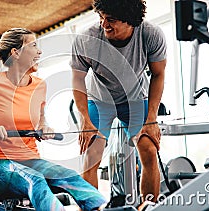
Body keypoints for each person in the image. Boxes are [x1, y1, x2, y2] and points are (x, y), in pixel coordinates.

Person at [0, 28, 108, 211]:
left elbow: (40, 121)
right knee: (34, 178)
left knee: (69, 175)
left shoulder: (39, 85)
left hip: (31, 160)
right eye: (33, 46)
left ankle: (102, 207)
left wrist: (45, 128)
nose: (39, 51)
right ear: (15, 53)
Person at [70, 0, 167, 206]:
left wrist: (152, 118)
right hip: (99, 100)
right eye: (101, 18)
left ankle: (148, 207)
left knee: (149, 150)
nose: (104, 24)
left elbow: (158, 75)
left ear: (130, 21)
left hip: (135, 99)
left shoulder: (150, 35)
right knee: (91, 154)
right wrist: (85, 120)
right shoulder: (87, 38)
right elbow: (78, 79)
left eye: (111, 20)